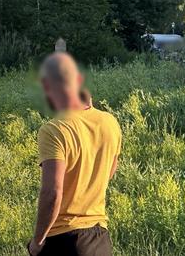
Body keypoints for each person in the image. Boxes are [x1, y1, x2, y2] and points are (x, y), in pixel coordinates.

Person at [28, 52, 121, 256]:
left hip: (64, 240)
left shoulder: (54, 130)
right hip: (99, 238)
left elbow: (52, 193)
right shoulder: (109, 122)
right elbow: (109, 172)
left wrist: (37, 241)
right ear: (79, 80)